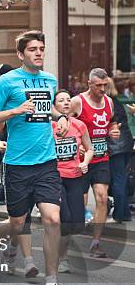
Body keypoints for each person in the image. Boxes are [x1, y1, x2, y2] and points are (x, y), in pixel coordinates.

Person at [0, 30, 72, 285]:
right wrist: (14, 111)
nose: (39, 53)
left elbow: (48, 110)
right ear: (20, 54)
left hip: (46, 162)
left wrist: (62, 117)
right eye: (32, 49)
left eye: (41, 48)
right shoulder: (7, 82)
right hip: (18, 165)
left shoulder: (49, 79)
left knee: (52, 219)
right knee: (17, 223)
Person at [67, 68, 120, 257]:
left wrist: (113, 130)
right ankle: (67, 244)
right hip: (80, 161)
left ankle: (95, 243)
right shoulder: (77, 102)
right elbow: (62, 125)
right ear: (89, 84)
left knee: (102, 198)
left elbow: (111, 122)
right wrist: (76, 144)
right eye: (99, 86)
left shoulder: (109, 102)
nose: (103, 89)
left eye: (105, 85)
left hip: (101, 158)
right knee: (77, 208)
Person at [0, 122, 39, 278]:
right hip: (15, 169)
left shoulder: (42, 111)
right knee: (19, 220)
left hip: (40, 169)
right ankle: (1, 250)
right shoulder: (9, 109)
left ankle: (11, 253)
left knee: (23, 220)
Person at [51, 90, 94, 273]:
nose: (66, 103)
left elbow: (89, 148)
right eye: (61, 100)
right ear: (55, 106)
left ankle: (60, 252)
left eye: (68, 100)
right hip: (55, 178)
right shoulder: (49, 126)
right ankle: (61, 258)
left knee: (76, 224)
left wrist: (85, 162)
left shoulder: (79, 125)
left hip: (75, 177)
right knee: (65, 219)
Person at [107, 78, 133, 223]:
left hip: (115, 146)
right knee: (121, 178)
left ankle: (119, 214)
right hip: (125, 144)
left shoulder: (108, 103)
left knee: (117, 180)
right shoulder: (117, 101)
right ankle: (125, 213)